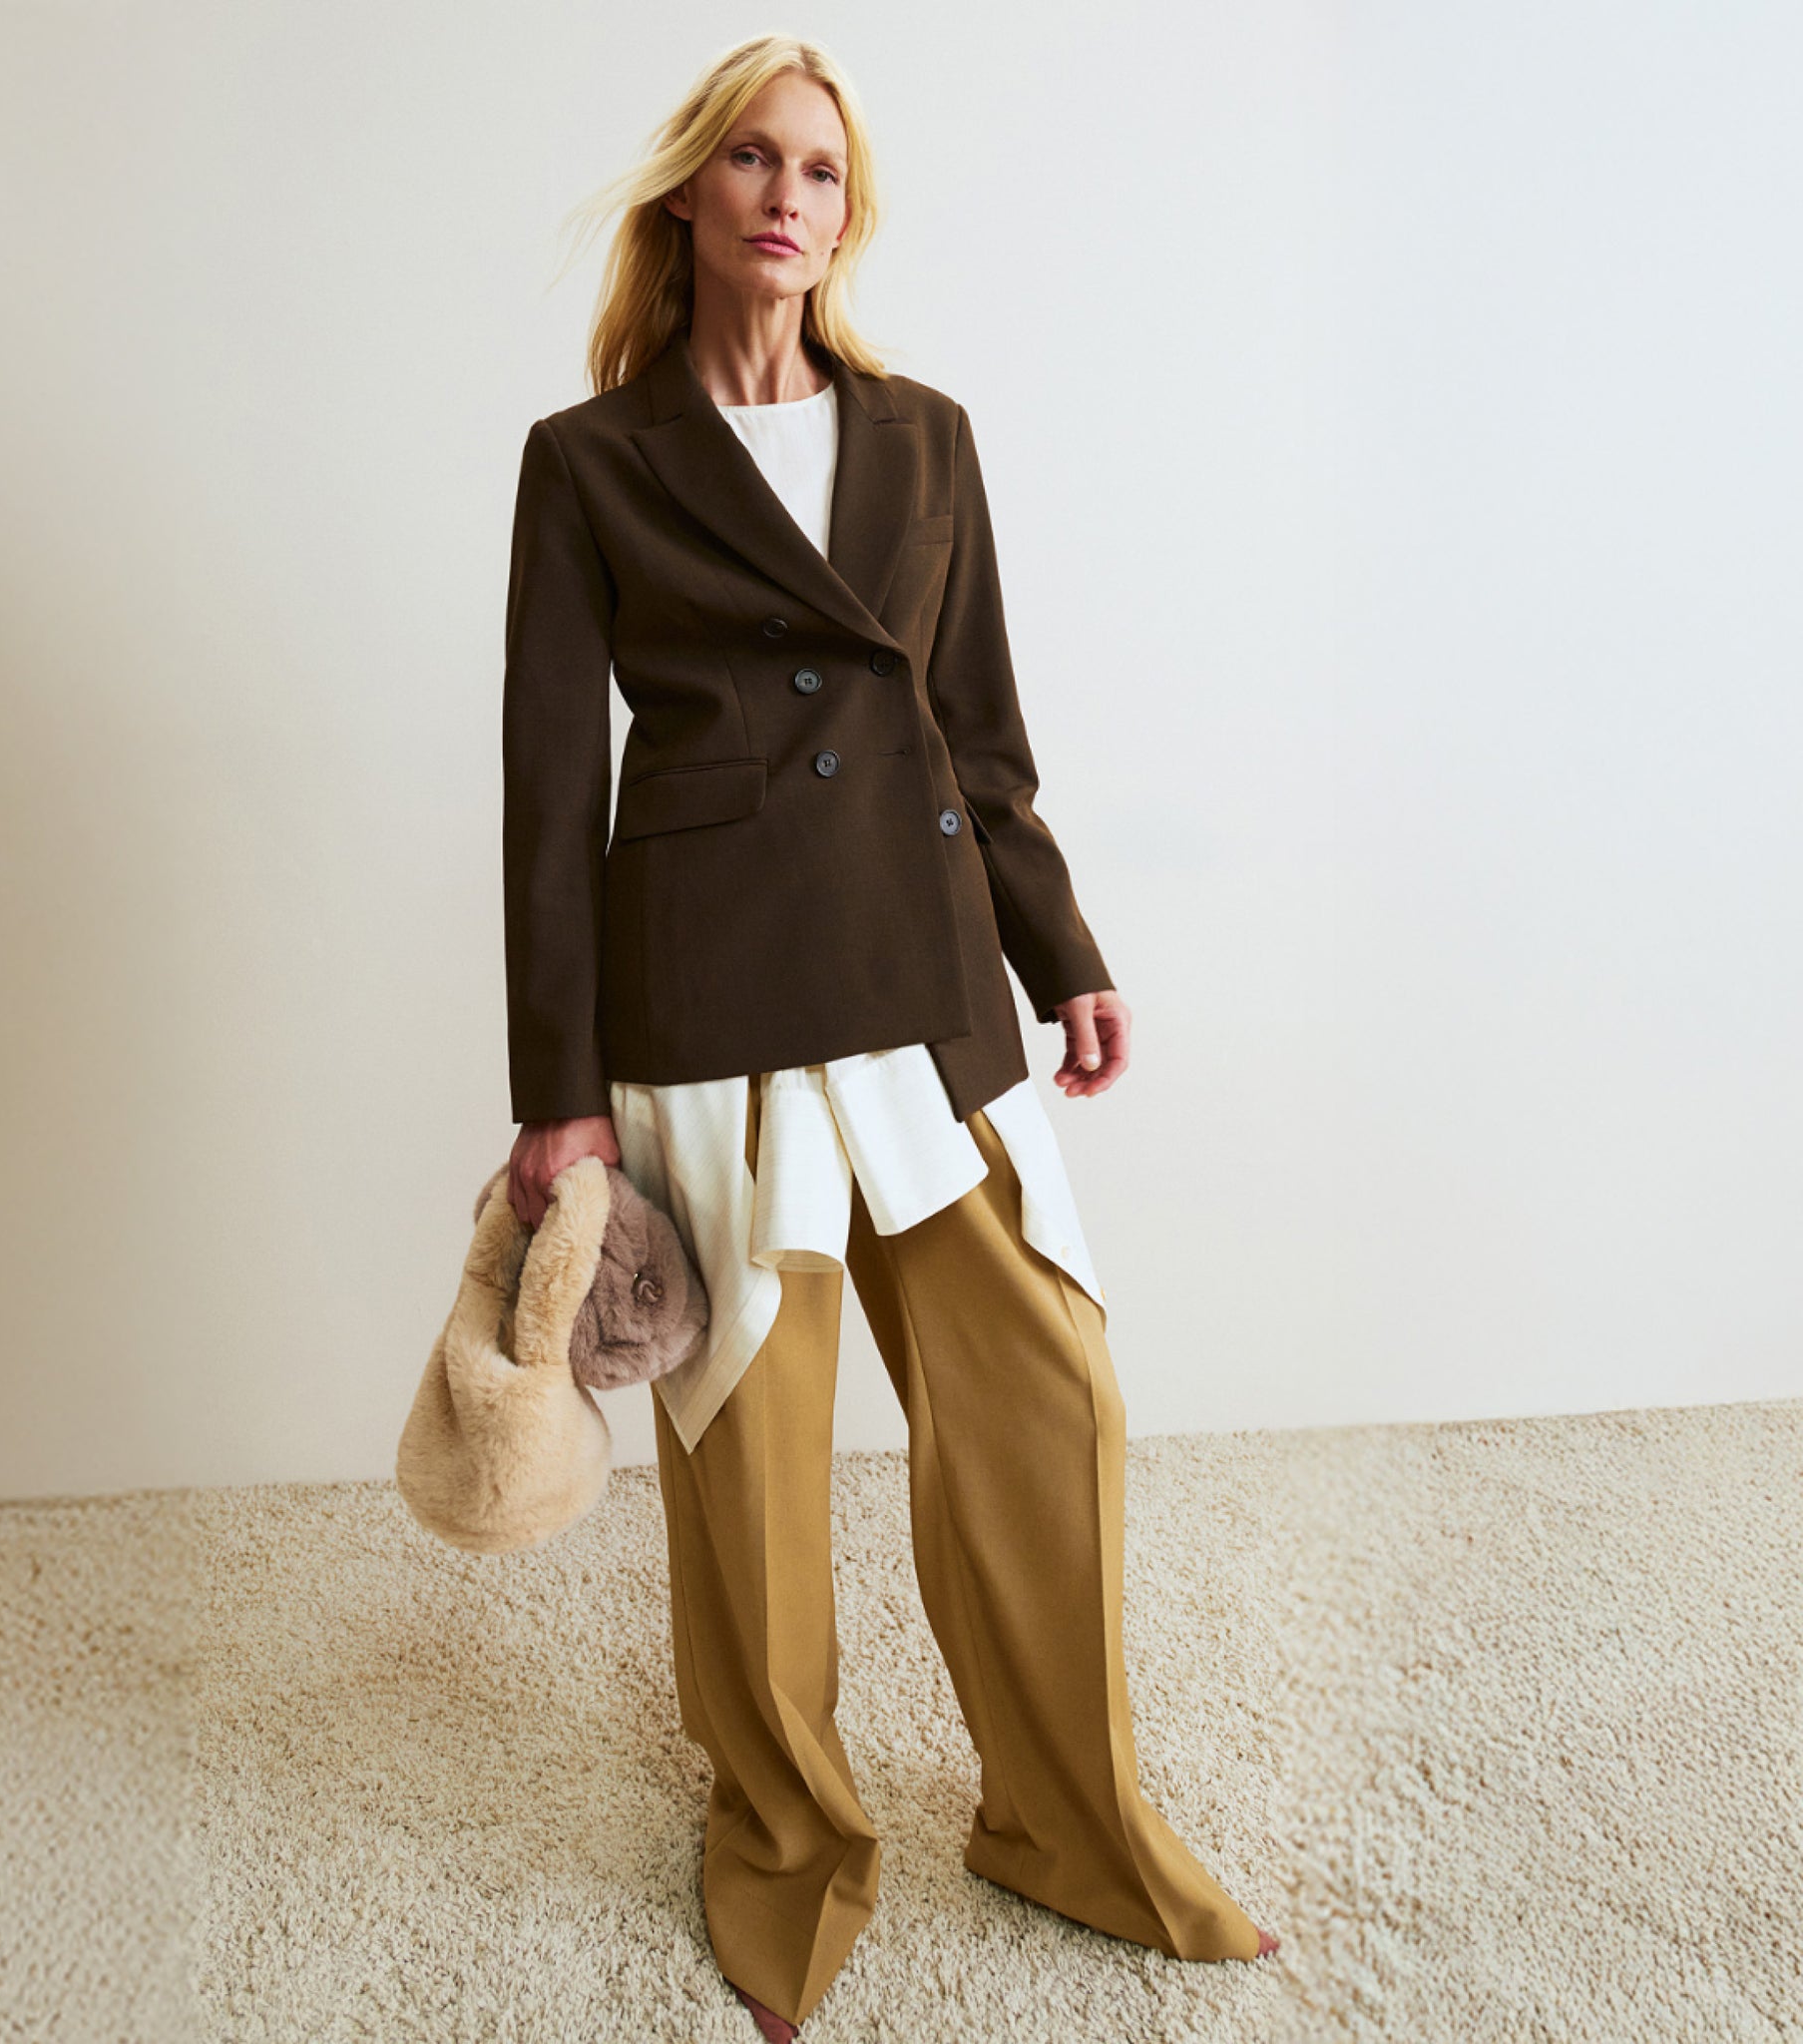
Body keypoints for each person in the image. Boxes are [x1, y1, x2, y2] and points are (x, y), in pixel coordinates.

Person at [498, 34, 1279, 2039]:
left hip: (921, 984)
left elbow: (977, 732)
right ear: (687, 196)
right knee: (746, 1457)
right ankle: (787, 1844)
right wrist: (556, 1102)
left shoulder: (923, 438)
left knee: (1046, 1399)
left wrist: (1060, 944)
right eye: (748, 160)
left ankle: (1071, 1820)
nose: (784, 194)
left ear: (847, 216)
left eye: (820, 172)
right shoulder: (589, 462)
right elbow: (540, 791)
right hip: (708, 998)